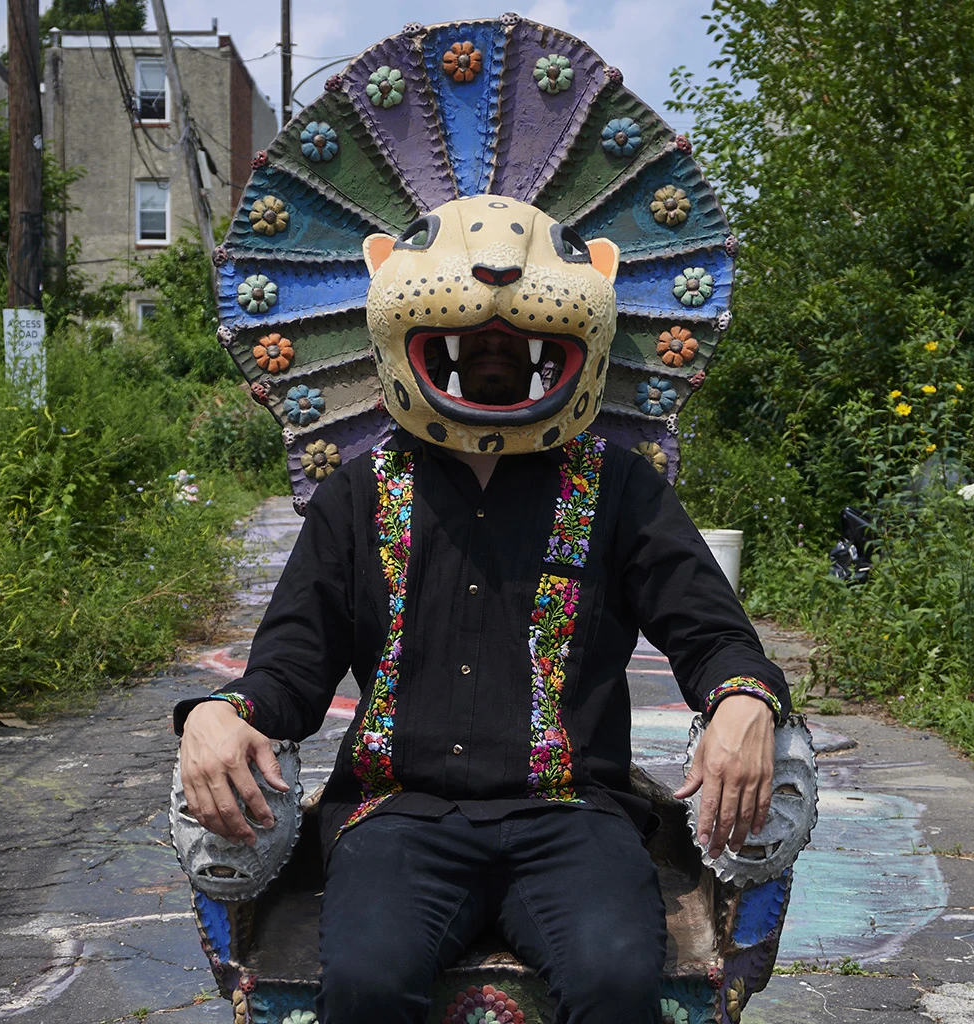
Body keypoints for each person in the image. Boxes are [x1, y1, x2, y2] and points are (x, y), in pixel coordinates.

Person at [174, 195, 790, 1024]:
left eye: (514, 345)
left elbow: (709, 629)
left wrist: (745, 696)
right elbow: (291, 661)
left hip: (573, 814)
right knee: (363, 985)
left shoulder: (619, 488)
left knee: (615, 982)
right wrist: (222, 712)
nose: (493, 353)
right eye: (472, 345)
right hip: (399, 815)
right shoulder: (357, 494)